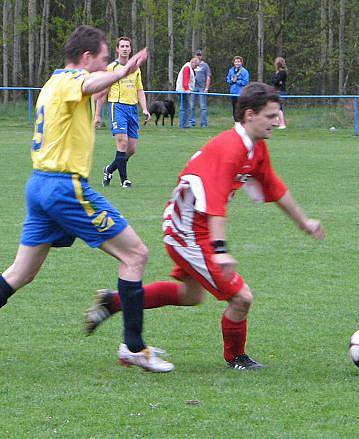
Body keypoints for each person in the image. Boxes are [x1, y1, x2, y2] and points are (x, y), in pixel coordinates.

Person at [0, 25, 174, 374]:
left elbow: (89, 89)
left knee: (21, 272)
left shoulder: (50, 84)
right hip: (65, 187)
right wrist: (123, 72)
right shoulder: (69, 81)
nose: (107, 65)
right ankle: (134, 348)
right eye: (104, 60)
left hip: (39, 186)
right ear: (85, 58)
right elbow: (88, 83)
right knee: (136, 254)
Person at [85, 82, 325, 370]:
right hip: (186, 232)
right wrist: (219, 249)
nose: (278, 121)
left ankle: (114, 302)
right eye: (271, 115)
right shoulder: (231, 147)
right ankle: (236, 358)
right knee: (242, 297)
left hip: (192, 227)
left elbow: (274, 187)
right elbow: (215, 202)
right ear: (249, 115)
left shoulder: (254, 148)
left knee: (191, 295)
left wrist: (304, 222)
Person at [95, 37, 151, 188]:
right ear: (117, 49)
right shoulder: (111, 68)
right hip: (117, 106)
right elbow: (103, 92)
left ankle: (109, 169)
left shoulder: (136, 69)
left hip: (132, 109)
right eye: (122, 46)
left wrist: (144, 108)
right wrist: (98, 114)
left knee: (131, 149)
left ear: (131, 49)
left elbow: (139, 89)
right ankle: (124, 180)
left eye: (127, 46)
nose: (125, 48)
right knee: (122, 142)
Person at [190, 49, 212, 128]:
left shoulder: (205, 65)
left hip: (202, 87)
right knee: (192, 105)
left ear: (202, 56)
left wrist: (206, 88)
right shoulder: (191, 64)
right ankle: (192, 122)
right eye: (197, 55)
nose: (198, 56)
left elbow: (208, 77)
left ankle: (204, 123)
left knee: (203, 106)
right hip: (193, 87)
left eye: (200, 55)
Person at [176, 57, 199, 129]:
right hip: (183, 90)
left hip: (184, 90)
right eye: (196, 65)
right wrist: (187, 89)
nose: (196, 67)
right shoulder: (187, 68)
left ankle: (184, 124)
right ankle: (183, 124)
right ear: (193, 62)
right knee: (186, 107)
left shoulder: (189, 67)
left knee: (186, 107)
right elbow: (185, 80)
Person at [226, 56, 250, 122]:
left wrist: (237, 81)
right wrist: (232, 81)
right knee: (234, 108)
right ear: (233, 62)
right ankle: (236, 122)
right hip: (233, 93)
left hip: (241, 93)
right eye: (236, 62)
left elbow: (245, 82)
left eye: (239, 62)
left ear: (241, 63)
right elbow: (228, 80)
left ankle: (242, 121)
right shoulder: (231, 70)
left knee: (241, 108)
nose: (237, 63)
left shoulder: (244, 71)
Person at [270, 56, 287, 129]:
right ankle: (276, 122)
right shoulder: (277, 72)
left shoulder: (283, 72)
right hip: (276, 91)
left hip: (280, 91)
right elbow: (274, 81)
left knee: (279, 108)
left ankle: (282, 124)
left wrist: (277, 80)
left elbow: (277, 81)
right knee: (275, 107)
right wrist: (276, 79)